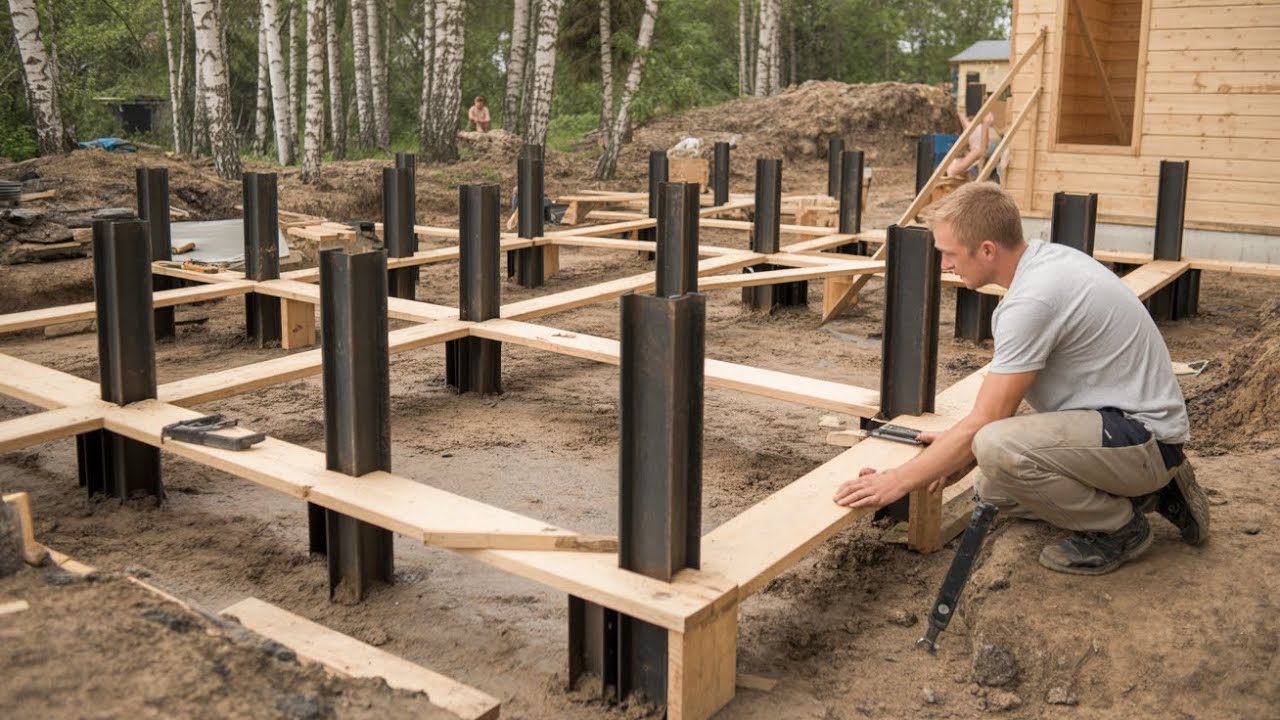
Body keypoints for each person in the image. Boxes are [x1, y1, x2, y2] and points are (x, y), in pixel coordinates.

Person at [832, 182, 1210, 575]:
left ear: (987, 250)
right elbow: (996, 407)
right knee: (995, 488)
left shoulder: (1032, 300)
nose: (944, 265)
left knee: (995, 448)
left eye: (949, 253)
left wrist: (895, 482)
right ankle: (1153, 492)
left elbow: (988, 421)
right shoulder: (1047, 260)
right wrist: (956, 449)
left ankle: (1120, 528)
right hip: (1124, 428)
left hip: (1144, 437)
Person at [945, 112, 1001, 181]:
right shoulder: (954, 167)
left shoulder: (972, 131)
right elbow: (980, 151)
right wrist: (986, 125)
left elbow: (981, 150)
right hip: (988, 153)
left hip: (985, 151)